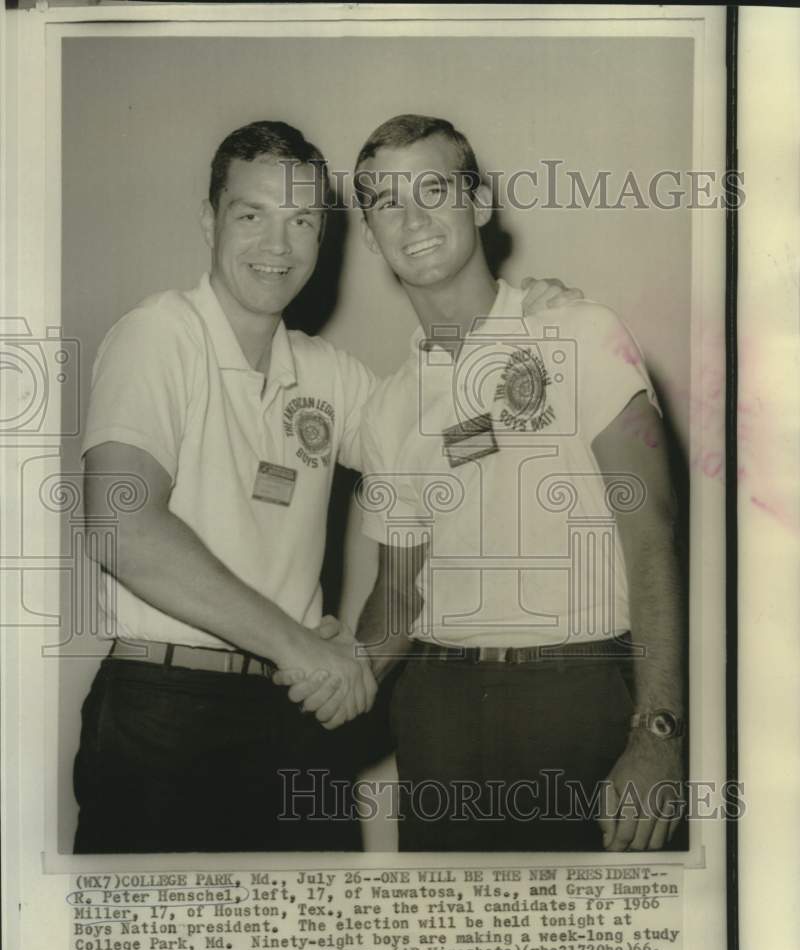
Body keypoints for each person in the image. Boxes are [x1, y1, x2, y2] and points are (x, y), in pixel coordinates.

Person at [73, 119, 578, 853]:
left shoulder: (328, 375)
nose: (278, 247)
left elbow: (436, 446)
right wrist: (302, 649)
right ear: (211, 221)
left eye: (302, 220)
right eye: (253, 216)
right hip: (168, 709)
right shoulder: (160, 335)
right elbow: (121, 527)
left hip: (294, 712)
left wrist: (514, 332)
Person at [353, 115, 686, 853]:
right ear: (371, 236)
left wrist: (659, 732)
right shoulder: (385, 407)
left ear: (478, 202)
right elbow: (398, 596)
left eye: (433, 189)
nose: (413, 218)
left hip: (577, 696)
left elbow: (652, 533)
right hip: (436, 710)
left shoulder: (579, 330)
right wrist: (339, 677)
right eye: (385, 201)